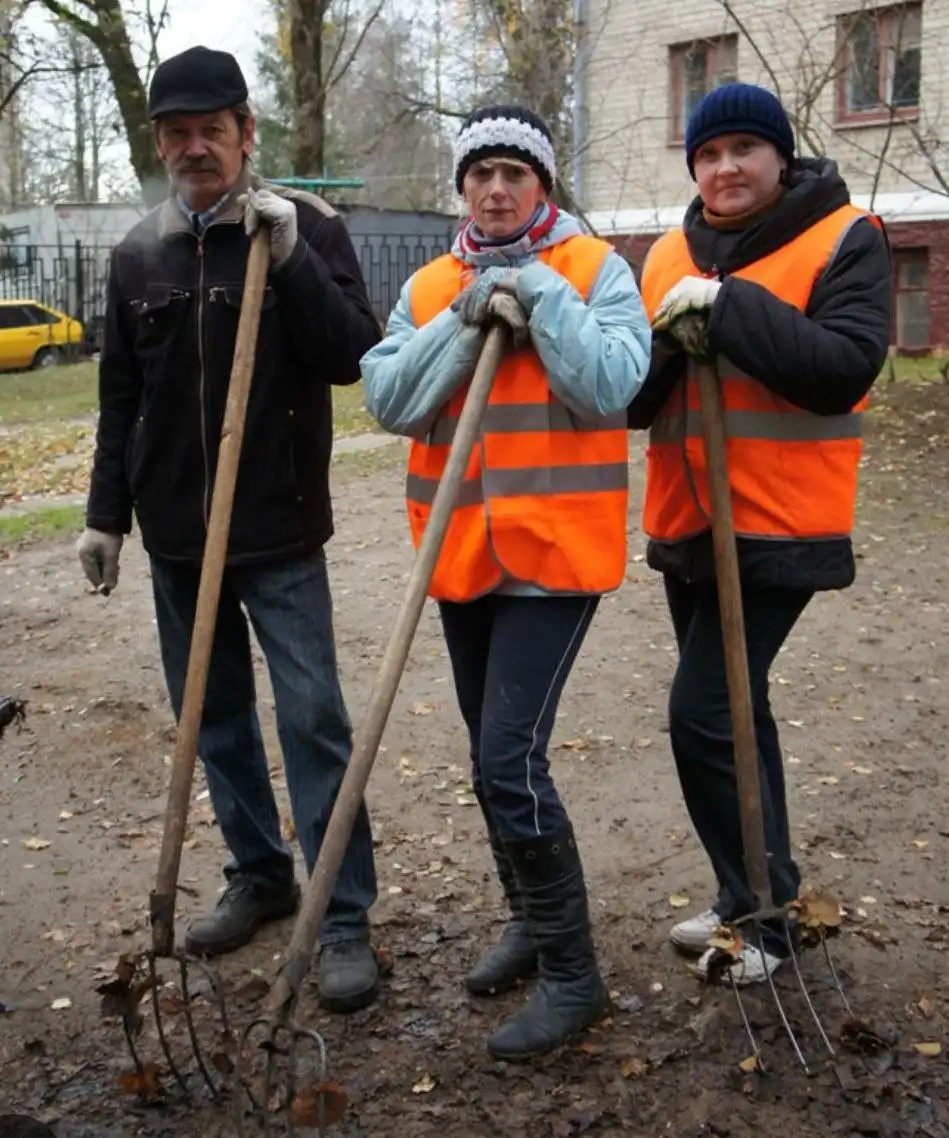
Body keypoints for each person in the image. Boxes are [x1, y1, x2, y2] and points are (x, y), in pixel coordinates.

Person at [76, 46, 383, 1013]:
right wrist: (103, 518)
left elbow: (352, 358)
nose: (195, 147)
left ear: (247, 134)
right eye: (178, 134)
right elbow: (120, 398)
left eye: (213, 130)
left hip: (278, 529)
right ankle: (259, 875)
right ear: (161, 144)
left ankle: (341, 917)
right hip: (174, 536)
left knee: (313, 724)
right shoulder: (138, 255)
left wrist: (289, 259)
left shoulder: (308, 229)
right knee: (213, 723)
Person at [361, 105, 651, 1056]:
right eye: (479, 173)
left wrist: (537, 295)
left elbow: (612, 386)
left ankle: (575, 976)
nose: (494, 189)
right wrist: (465, 315)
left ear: (544, 186)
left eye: (513, 174)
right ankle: (529, 921)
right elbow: (389, 401)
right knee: (489, 765)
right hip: (459, 556)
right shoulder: (430, 285)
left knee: (507, 759)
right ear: (461, 188)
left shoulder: (594, 270)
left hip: (553, 556)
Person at [628, 83, 891, 984]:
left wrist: (728, 308)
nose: (723, 167)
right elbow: (631, 399)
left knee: (701, 713)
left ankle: (766, 924)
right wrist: (671, 335)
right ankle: (752, 890)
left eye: (743, 149)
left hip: (780, 525)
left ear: (781, 157)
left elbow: (842, 370)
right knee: (740, 718)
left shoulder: (844, 237)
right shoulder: (666, 252)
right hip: (689, 521)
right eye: (707, 154)